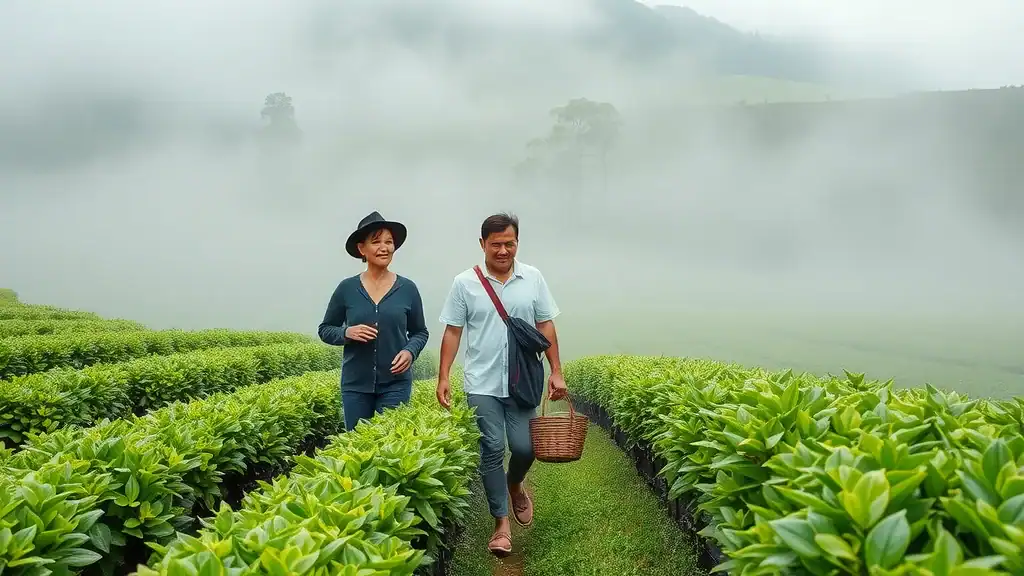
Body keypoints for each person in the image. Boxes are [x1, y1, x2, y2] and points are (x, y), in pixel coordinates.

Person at [436, 212, 567, 557]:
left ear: (517, 243)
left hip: (523, 380)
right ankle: (501, 525)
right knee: (491, 449)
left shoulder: (533, 278)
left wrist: (556, 370)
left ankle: (515, 483)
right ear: (483, 245)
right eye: (496, 244)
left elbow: (546, 325)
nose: (504, 250)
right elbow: (453, 330)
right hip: (482, 381)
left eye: (510, 243)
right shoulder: (465, 283)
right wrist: (444, 375)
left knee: (525, 448)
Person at [318, 211, 429, 432]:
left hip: (396, 384)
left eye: (389, 242)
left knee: (389, 446)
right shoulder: (347, 289)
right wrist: (347, 333)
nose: (384, 248)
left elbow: (420, 332)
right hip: (355, 386)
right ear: (362, 249)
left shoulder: (407, 289)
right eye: (376, 242)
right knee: (359, 449)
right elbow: (325, 329)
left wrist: (410, 352)